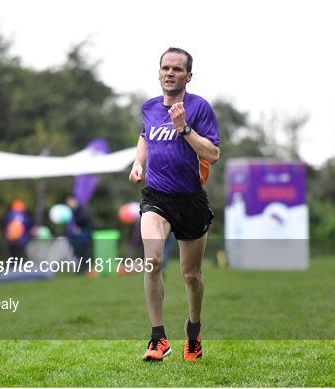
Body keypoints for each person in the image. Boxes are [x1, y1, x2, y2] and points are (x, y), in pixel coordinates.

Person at [129, 47, 220, 361]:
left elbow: (212, 154)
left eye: (177, 69)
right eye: (166, 68)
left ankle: (193, 330)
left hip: (190, 201)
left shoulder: (199, 108)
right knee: (152, 262)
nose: (170, 73)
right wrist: (138, 163)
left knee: (190, 276)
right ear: (159, 73)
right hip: (156, 198)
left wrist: (183, 128)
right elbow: (145, 135)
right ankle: (158, 338)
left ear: (188, 76)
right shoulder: (150, 108)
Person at [65, 194, 93, 271]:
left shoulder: (81, 210)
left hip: (83, 235)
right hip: (77, 236)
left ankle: (84, 269)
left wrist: (79, 228)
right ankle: (81, 269)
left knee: (83, 253)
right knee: (78, 253)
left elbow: (85, 221)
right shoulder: (73, 211)